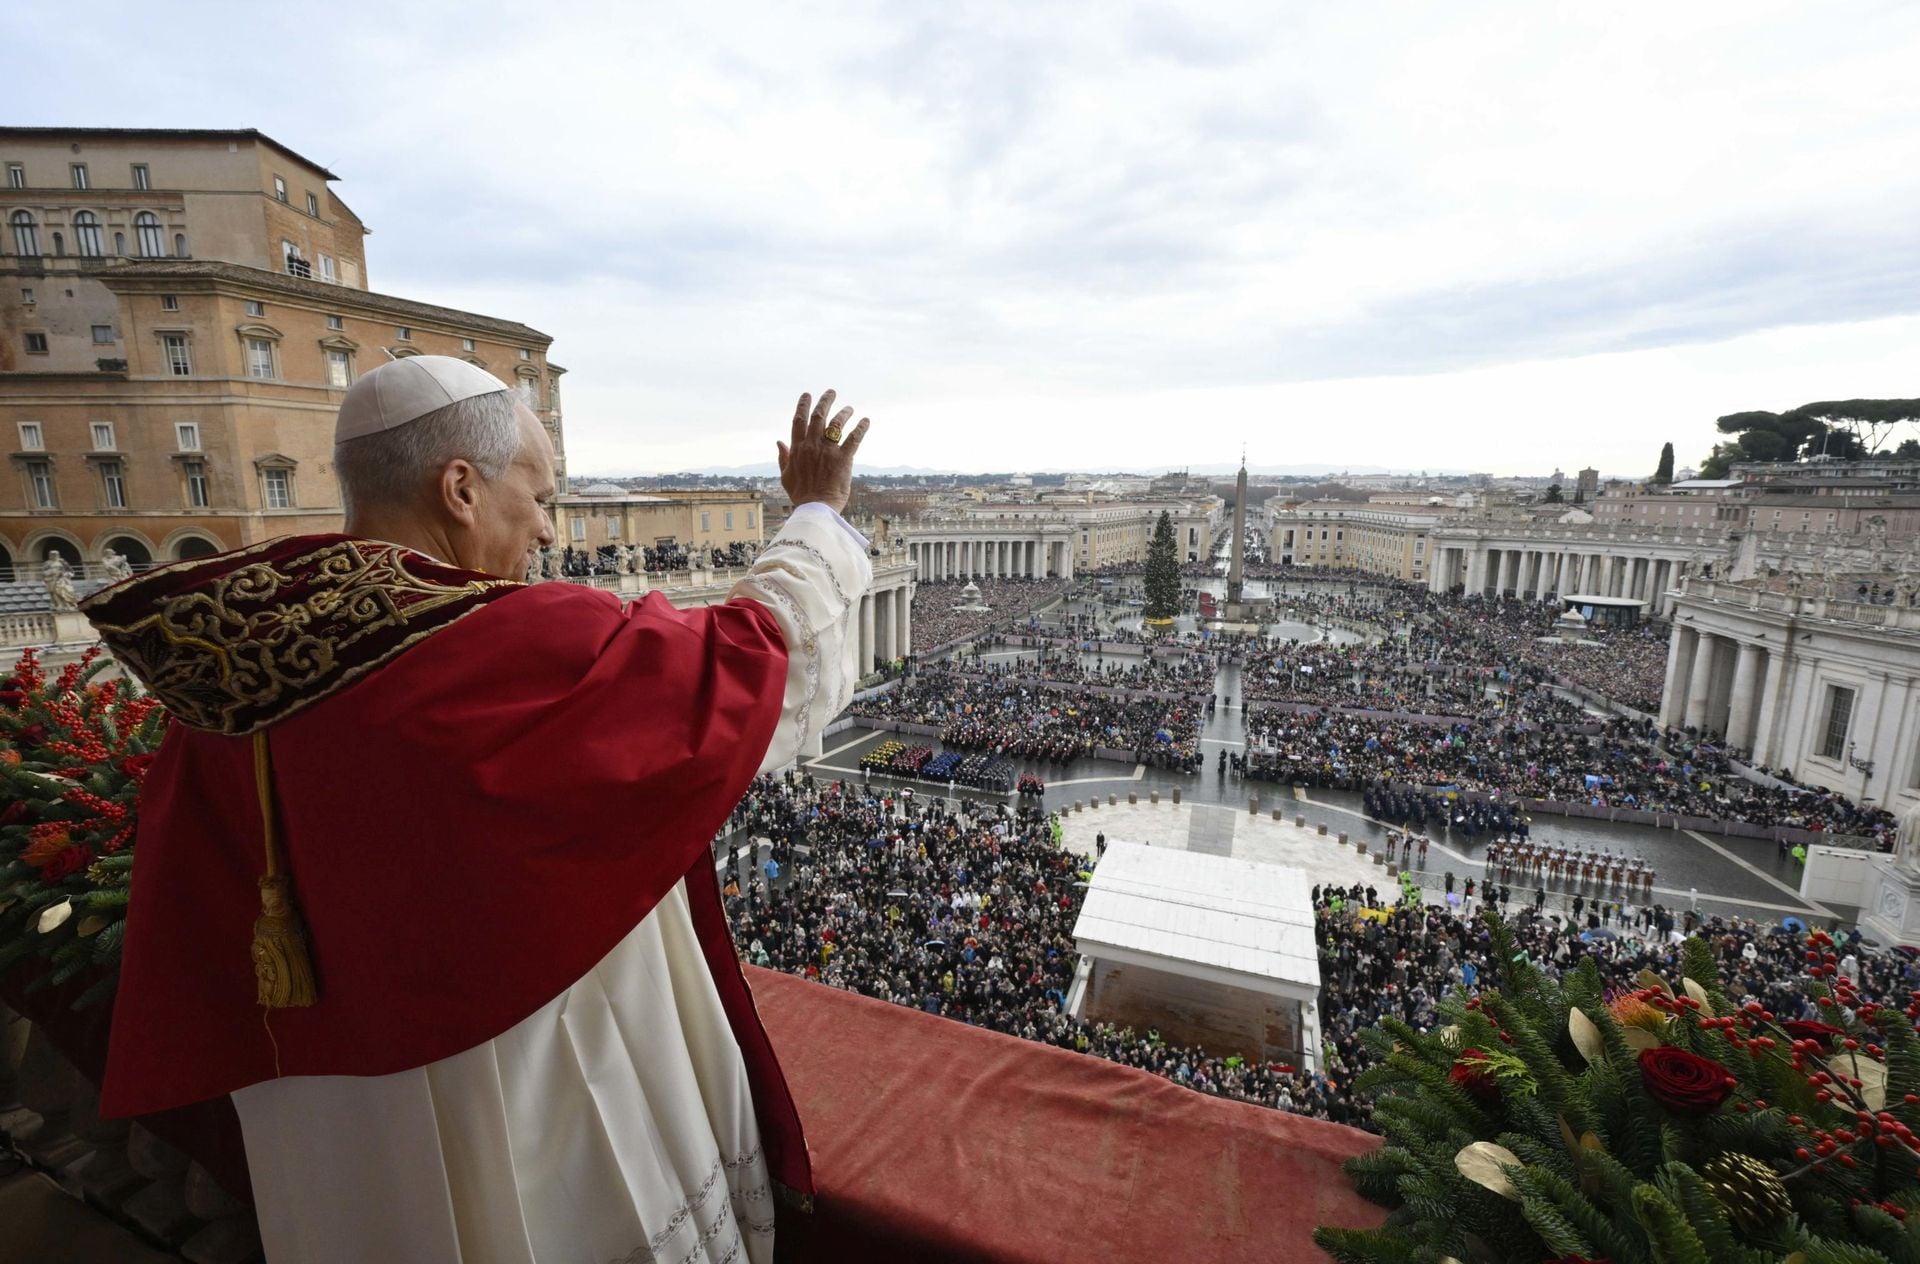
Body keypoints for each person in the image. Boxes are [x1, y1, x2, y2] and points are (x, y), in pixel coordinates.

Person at [82, 361, 877, 1264]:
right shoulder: (509, 645)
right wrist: (817, 512)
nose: (546, 527)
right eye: (537, 496)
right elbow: (759, 664)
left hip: (333, 1122)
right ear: (459, 487)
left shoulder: (227, 683)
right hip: (531, 1086)